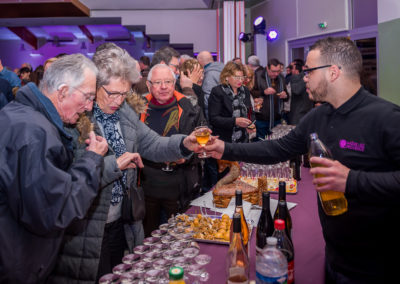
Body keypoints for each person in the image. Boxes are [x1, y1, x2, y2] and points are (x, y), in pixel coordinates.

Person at [203, 36, 400, 284]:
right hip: (334, 256)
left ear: (333, 72)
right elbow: (277, 149)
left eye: (309, 71)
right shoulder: (318, 115)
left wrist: (352, 180)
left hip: (378, 265)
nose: (304, 77)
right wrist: (225, 149)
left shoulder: (386, 118)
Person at [49, 46, 200, 283]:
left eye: (124, 93)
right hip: (88, 227)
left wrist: (185, 143)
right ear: (95, 86)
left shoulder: (124, 112)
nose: (119, 101)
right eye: (112, 93)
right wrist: (115, 164)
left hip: (121, 221)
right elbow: (69, 179)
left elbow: (152, 144)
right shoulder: (77, 117)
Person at [0, 54, 109, 284]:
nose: (89, 107)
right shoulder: (35, 133)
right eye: (88, 97)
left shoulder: (19, 115)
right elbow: (55, 211)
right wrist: (92, 159)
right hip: (18, 265)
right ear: (62, 92)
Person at [140, 64, 205, 236]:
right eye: (158, 82)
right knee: (148, 239)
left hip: (179, 184)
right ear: (148, 85)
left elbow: (202, 143)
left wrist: (187, 157)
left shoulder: (190, 107)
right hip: (147, 184)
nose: (163, 87)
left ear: (174, 83)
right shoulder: (137, 108)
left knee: (178, 237)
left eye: (168, 81)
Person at [208, 61, 255, 144]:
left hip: (244, 139)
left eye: (242, 77)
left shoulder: (245, 90)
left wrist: (251, 124)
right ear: (226, 77)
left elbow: (250, 112)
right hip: (224, 139)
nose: (240, 80)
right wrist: (235, 121)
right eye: (236, 77)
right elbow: (214, 119)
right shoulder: (218, 91)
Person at [253, 58, 288, 140]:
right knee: (261, 143)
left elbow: (287, 95)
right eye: (273, 71)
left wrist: (285, 95)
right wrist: (263, 92)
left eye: (278, 71)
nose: (276, 74)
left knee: (276, 144)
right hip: (262, 118)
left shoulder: (281, 77)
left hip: (277, 118)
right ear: (267, 68)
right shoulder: (258, 76)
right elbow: (251, 92)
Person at [197, 50, 224, 121]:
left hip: (215, 118)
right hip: (224, 114)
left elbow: (208, 100)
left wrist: (208, 122)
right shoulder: (222, 70)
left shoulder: (209, 75)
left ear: (200, 62)